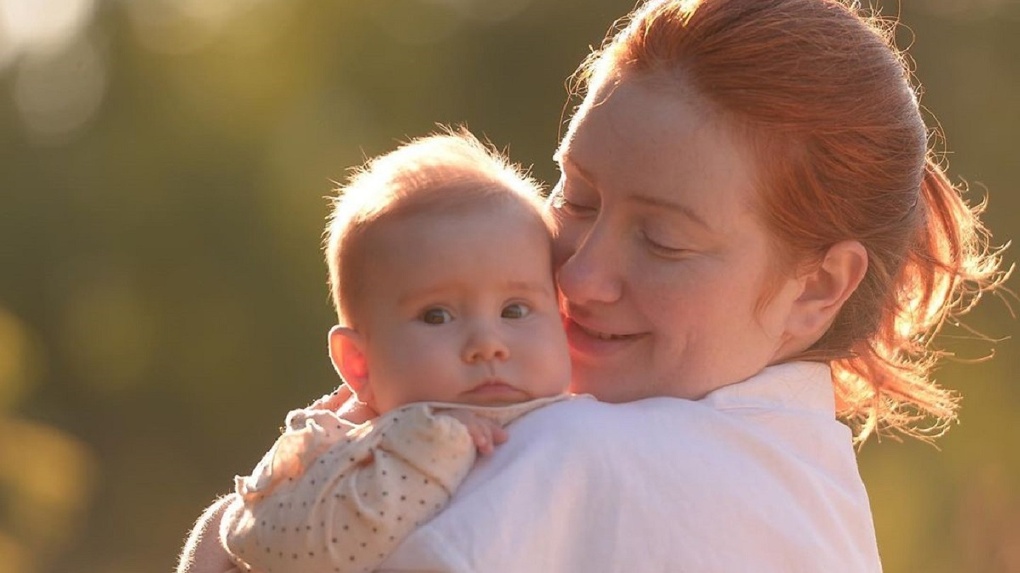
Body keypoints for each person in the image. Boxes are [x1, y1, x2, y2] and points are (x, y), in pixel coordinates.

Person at [177, 0, 1008, 571]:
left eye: (663, 239)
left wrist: (238, 528)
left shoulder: (564, 462)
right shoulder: (816, 491)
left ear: (818, 286)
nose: (578, 272)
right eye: (575, 198)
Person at [215, 131, 573, 573]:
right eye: (437, 316)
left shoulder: (599, 417)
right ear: (358, 363)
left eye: (515, 310)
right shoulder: (356, 447)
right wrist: (426, 443)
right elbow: (262, 541)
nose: (487, 345)